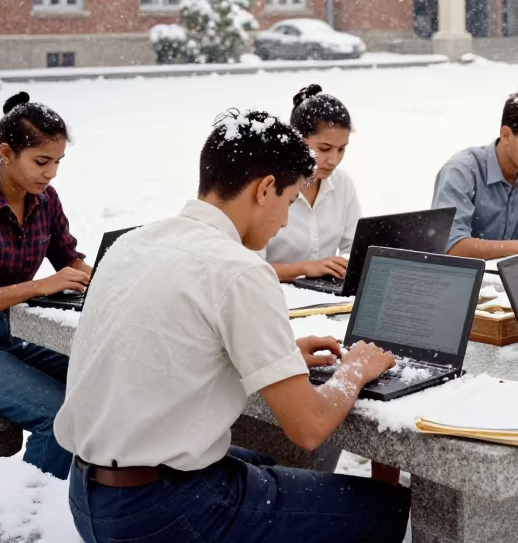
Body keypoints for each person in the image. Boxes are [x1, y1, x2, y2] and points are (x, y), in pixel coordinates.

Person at [55, 109, 409, 543]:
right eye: (290, 202)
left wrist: (278, 356)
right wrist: (356, 367)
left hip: (88, 494)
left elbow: (167, 346)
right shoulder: (240, 270)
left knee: (260, 463)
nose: (283, 221)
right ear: (265, 190)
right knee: (384, 507)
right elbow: (308, 428)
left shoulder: (132, 243)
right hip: (162, 513)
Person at [0, 92, 92, 478]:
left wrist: (87, 272)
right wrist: (37, 287)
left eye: (57, 162)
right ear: (6, 153)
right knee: (56, 414)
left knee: (102, 379)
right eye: (41, 162)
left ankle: (97, 495)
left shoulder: (45, 200)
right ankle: (31, 523)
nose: (51, 173)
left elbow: (68, 256)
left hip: (21, 334)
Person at [432, 87, 518, 259]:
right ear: (506, 135)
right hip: (464, 281)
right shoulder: (461, 171)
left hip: (512, 279)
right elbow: (452, 246)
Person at [263, 85, 360, 285]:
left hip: (327, 297)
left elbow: (355, 251)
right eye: (324, 149)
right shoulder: (269, 187)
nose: (333, 160)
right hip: (275, 295)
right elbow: (247, 267)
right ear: (297, 140)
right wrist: (304, 268)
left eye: (342, 149)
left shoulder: (342, 183)